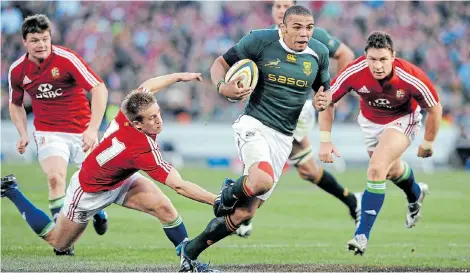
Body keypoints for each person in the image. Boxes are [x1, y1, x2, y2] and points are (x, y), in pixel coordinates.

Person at [2, 72, 219, 271]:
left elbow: (149, 85)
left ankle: (187, 262)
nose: (158, 120)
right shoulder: (142, 147)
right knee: (59, 242)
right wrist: (216, 201)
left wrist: (179, 76)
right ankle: (12, 191)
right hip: (89, 191)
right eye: (152, 118)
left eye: (158, 113)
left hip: (120, 177)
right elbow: (178, 185)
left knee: (164, 208)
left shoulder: (132, 108)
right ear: (137, 124)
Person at [175, 6, 328, 271]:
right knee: (261, 179)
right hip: (254, 124)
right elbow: (220, 64)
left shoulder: (319, 53)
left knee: (245, 213)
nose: (304, 33)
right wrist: (223, 86)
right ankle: (227, 193)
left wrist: (323, 100)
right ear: (283, 27)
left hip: (284, 137)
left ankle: (189, 251)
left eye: (309, 27)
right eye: (297, 27)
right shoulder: (260, 40)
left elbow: (324, 90)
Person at [235, 0, 359, 237]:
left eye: (285, 6)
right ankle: (353, 201)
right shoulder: (263, 38)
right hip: (269, 109)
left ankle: (242, 212)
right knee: (308, 171)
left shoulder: (310, 34)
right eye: (277, 6)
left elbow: (345, 54)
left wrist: (332, 94)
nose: (281, 10)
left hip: (297, 110)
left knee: (260, 157)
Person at [315, 31, 441, 255]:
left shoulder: (410, 75)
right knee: (390, 171)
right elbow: (327, 101)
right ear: (365, 57)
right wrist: (325, 140)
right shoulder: (355, 71)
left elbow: (435, 107)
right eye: (372, 59)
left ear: (393, 56)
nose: (378, 65)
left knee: (375, 169)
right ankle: (415, 193)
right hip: (371, 123)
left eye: (383, 59)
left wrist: (428, 142)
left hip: (403, 120)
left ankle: (361, 235)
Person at [8, 14, 109, 254]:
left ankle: (99, 211)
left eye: (45, 39)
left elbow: (98, 88)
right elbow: (16, 103)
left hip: (82, 131)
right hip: (49, 132)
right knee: (55, 178)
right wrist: (23, 133)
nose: (41, 44)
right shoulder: (17, 70)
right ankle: (64, 243)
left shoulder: (67, 59)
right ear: (25, 42)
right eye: (35, 40)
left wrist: (93, 128)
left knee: (95, 187)